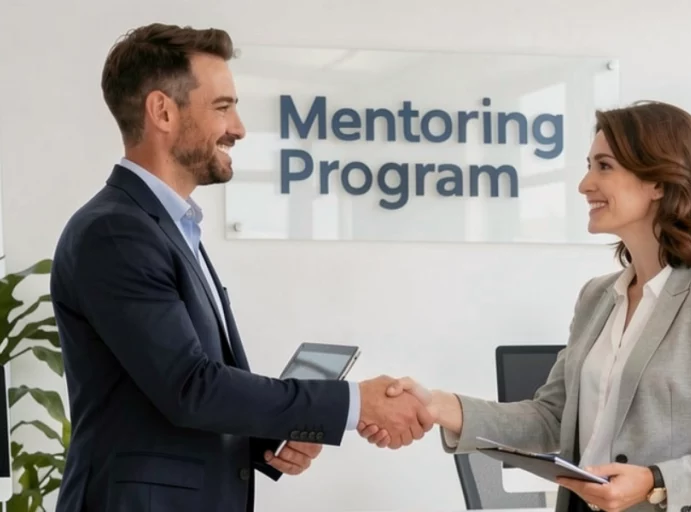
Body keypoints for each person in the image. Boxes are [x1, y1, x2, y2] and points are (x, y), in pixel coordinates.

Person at [50, 23, 433, 512]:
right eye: (223, 107)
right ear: (163, 111)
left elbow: (167, 390)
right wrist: (354, 403)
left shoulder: (167, 227)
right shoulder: (116, 233)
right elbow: (191, 387)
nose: (239, 128)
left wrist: (265, 441)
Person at [362, 101, 691, 512]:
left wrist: (656, 482)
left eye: (604, 166)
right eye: (589, 167)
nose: (586, 184)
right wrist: (435, 405)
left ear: (658, 182)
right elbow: (551, 417)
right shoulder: (597, 297)